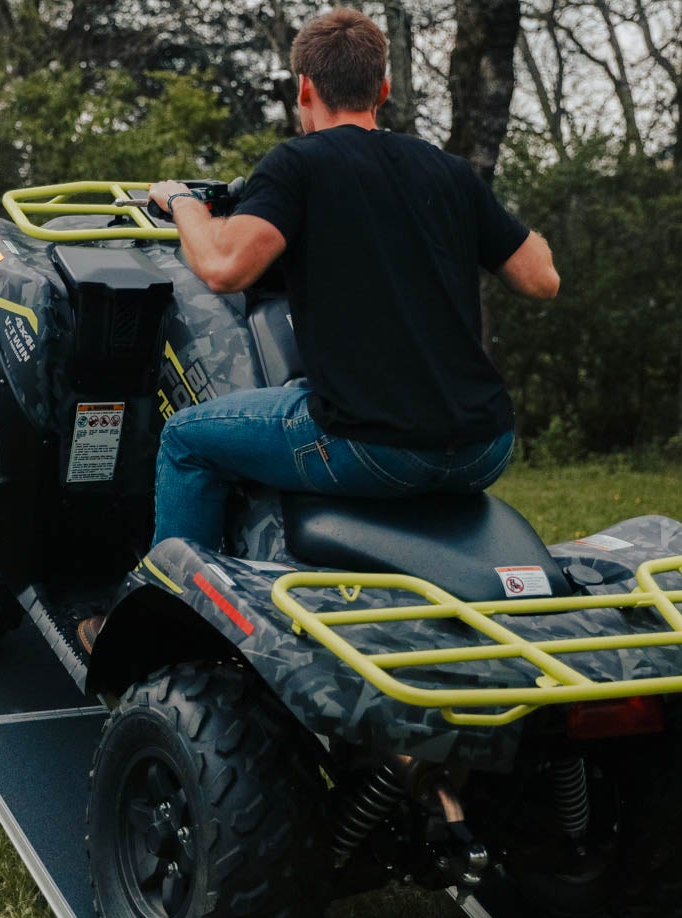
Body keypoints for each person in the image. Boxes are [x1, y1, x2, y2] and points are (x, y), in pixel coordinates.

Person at [149, 9, 558, 548]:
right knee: (304, 392)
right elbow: (542, 278)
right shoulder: (449, 170)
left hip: (376, 450)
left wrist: (182, 204)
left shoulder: (297, 165)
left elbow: (224, 267)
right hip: (485, 447)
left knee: (185, 438)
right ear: (382, 88)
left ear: (305, 89)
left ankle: (161, 615)